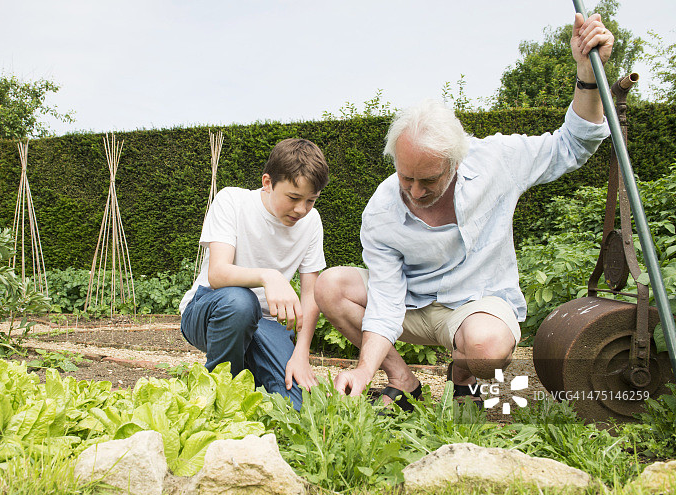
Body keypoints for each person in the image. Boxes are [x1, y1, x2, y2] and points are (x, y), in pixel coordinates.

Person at [315, 13, 614, 409]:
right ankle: (403, 382)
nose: (415, 191)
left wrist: (586, 74)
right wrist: (363, 370)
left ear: (456, 162)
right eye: (406, 177)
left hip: (478, 303)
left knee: (486, 349)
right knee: (329, 286)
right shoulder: (382, 212)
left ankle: (465, 377)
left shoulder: (496, 161)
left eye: (429, 180)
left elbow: (573, 145)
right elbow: (386, 302)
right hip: (413, 304)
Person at [179, 138, 329, 410]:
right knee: (240, 302)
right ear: (268, 182)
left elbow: (311, 294)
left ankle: (253, 370)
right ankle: (221, 390)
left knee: (299, 406)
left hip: (268, 323)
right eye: (294, 198)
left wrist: (301, 354)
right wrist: (270, 276)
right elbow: (218, 274)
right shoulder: (232, 201)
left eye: (311, 200)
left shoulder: (312, 222)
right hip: (211, 310)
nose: (301, 210)